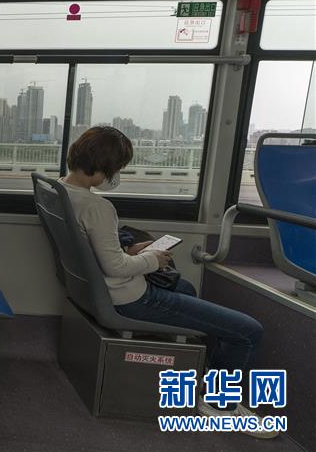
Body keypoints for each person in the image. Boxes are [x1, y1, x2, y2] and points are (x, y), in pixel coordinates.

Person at [59, 126, 277, 439]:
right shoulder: (97, 207)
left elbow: (94, 252)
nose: (117, 174)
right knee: (248, 331)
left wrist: (129, 250)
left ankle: (207, 377)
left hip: (95, 289)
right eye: (118, 168)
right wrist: (153, 259)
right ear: (104, 166)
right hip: (129, 297)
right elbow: (115, 268)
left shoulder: (61, 191)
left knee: (185, 289)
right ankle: (218, 405)